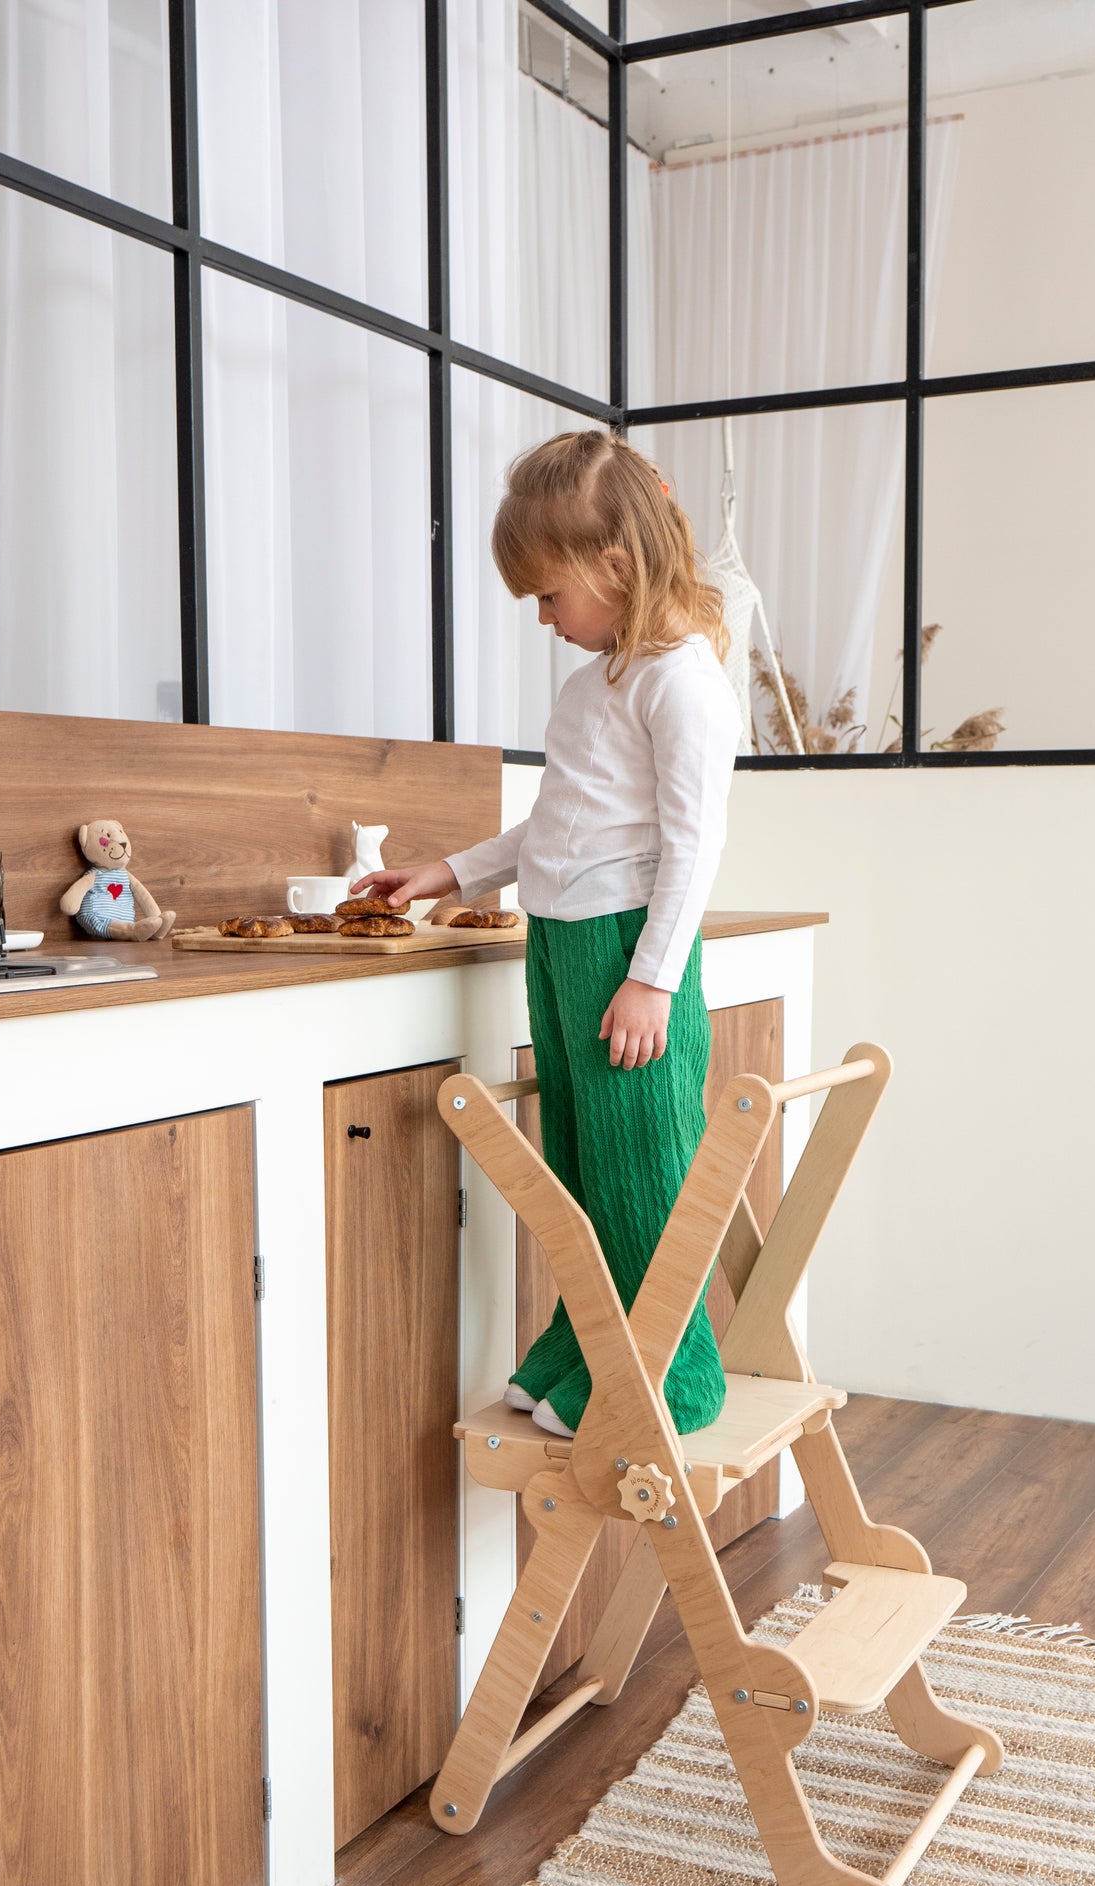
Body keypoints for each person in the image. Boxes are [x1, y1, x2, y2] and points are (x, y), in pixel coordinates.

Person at [351, 429, 742, 1440]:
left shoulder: (679, 680)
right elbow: (557, 823)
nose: (541, 614)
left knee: (639, 1162)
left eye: (548, 592)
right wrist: (450, 870)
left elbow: (694, 843)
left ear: (613, 567)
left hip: (624, 951)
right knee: (575, 1161)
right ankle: (589, 1342)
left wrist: (652, 977)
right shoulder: (593, 683)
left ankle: (671, 1372)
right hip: (561, 945)